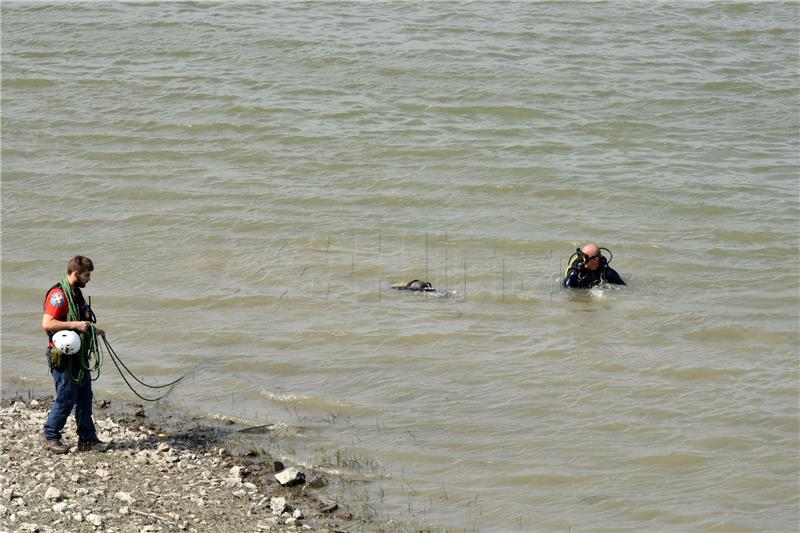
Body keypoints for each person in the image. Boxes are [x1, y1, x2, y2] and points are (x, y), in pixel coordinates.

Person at [42, 256, 109, 454]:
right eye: (87, 275)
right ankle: (51, 435)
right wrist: (74, 324)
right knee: (66, 397)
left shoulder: (76, 293)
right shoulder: (59, 295)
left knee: (85, 396)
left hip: (79, 355)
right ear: (76, 274)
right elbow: (47, 324)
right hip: (63, 356)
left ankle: (87, 439)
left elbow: (82, 322)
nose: (89, 279)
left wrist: (95, 331)